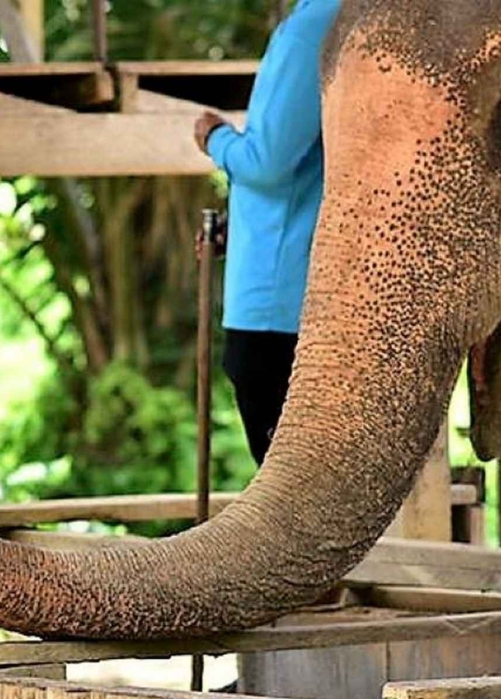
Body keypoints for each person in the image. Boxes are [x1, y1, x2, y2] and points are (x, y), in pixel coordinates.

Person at [193, 0, 341, 466]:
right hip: (305, 292)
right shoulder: (345, 15)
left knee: (294, 489)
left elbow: (268, 164)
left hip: (274, 313)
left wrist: (215, 138)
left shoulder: (310, 30)